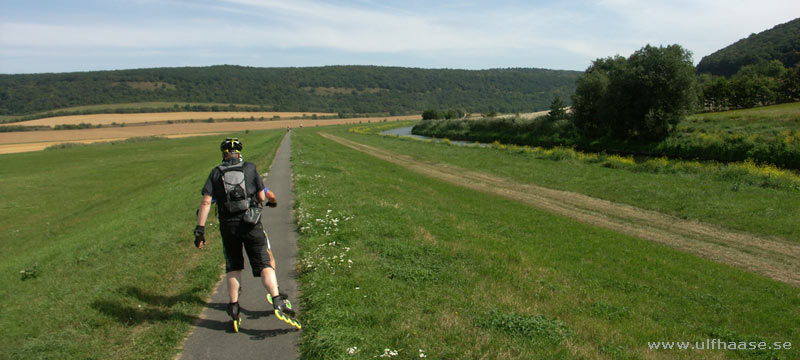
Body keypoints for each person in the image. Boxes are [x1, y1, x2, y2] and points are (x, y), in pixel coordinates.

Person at [193, 137, 300, 331]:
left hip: (228, 227)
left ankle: (234, 308)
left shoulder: (216, 173)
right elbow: (261, 196)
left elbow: (206, 202)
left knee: (233, 266)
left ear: (224, 154)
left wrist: (200, 231)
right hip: (251, 224)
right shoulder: (250, 168)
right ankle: (277, 300)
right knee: (264, 263)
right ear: (239, 152)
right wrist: (266, 202)